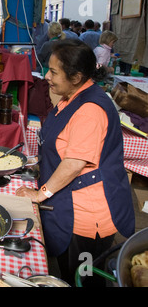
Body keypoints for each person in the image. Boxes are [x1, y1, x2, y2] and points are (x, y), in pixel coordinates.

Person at [16, 39, 135, 286]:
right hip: (67, 204)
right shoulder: (73, 96)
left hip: (86, 216)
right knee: (69, 273)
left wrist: (41, 194)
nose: (47, 76)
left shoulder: (90, 110)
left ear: (77, 76)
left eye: (54, 72)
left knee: (83, 278)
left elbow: (73, 163)